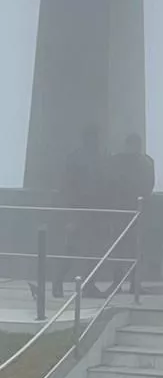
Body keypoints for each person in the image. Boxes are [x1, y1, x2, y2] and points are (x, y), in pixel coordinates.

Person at [51, 125, 108, 299]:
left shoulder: (99, 158)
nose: (96, 141)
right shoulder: (77, 159)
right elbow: (67, 187)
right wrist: (71, 214)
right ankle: (58, 282)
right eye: (93, 138)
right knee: (73, 248)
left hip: (94, 210)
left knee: (92, 250)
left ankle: (88, 285)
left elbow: (103, 185)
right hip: (79, 210)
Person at [106, 133, 155, 291]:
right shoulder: (145, 162)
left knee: (134, 248)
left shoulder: (118, 161)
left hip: (131, 210)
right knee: (123, 247)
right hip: (126, 209)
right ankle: (122, 283)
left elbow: (148, 186)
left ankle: (130, 283)